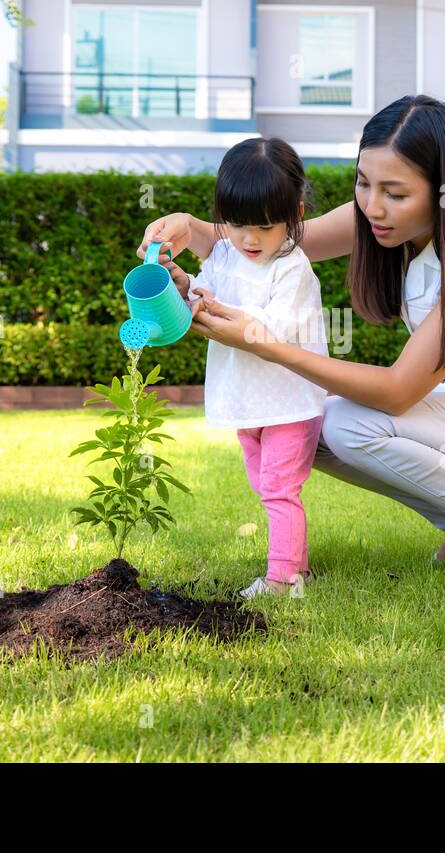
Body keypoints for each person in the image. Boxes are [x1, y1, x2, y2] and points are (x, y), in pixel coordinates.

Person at [142, 95, 445, 586]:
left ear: (444, 190)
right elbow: (271, 241)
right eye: (364, 183)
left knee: (346, 423)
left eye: (395, 192)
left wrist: (265, 345)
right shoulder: (377, 218)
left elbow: (397, 391)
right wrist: (190, 226)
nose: (373, 205)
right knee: (308, 423)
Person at [164, 137, 329, 598]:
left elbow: (276, 327)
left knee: (278, 488)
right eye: (237, 225)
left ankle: (284, 578)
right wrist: (185, 285)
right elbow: (208, 291)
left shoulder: (292, 268)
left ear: (296, 216)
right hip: (248, 399)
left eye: (265, 226)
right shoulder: (224, 253)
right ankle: (296, 563)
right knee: (264, 484)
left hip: (289, 402)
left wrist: (218, 311)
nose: (249, 239)